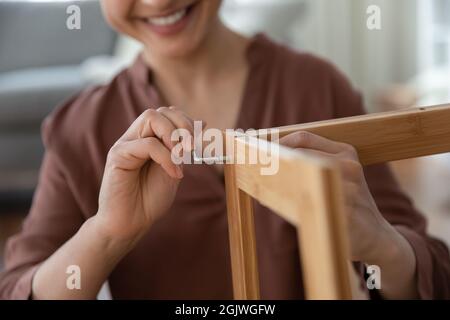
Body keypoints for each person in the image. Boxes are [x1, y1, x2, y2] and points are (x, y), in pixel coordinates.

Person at [1, 0, 449, 300]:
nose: (159, 3)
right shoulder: (78, 128)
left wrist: (380, 245)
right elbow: (19, 288)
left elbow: (429, 277)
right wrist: (107, 233)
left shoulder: (317, 86)